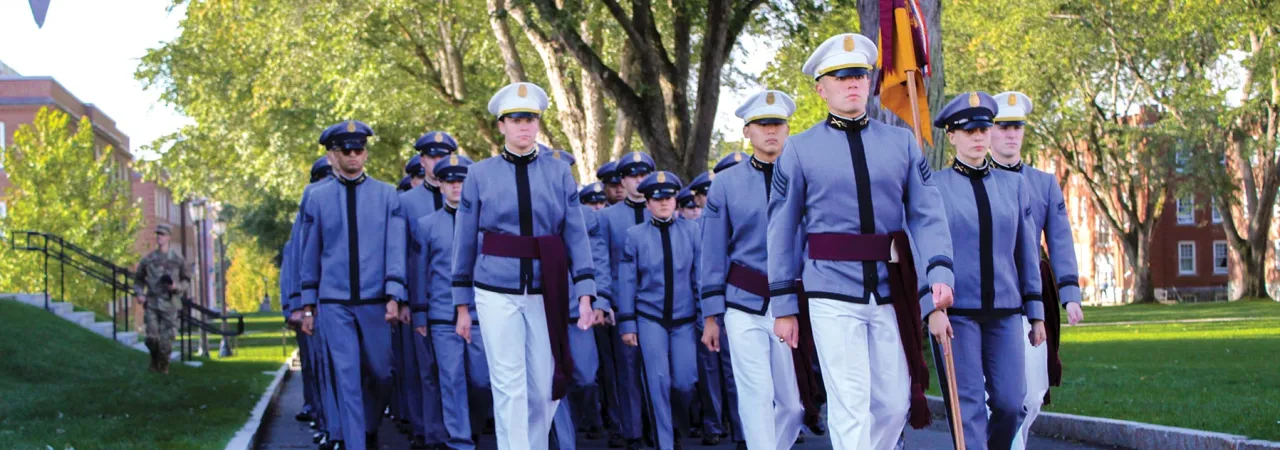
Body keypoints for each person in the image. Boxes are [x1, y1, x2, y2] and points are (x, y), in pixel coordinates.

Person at [767, 32, 955, 450]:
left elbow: (927, 212)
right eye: (840, 76)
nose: (852, 83)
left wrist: (939, 268)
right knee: (851, 404)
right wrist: (783, 305)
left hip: (891, 291)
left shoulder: (901, 142)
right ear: (822, 88)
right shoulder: (799, 150)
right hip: (830, 291)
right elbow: (781, 229)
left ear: (869, 83)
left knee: (893, 403)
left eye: (859, 75)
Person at [451, 82, 598, 450]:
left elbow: (575, 233)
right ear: (501, 125)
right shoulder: (480, 174)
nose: (525, 126)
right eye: (516, 119)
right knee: (508, 385)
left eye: (530, 119)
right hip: (494, 290)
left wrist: (585, 292)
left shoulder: (559, 172)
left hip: (547, 290)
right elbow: (465, 240)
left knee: (544, 388)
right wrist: (461, 303)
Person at [928, 91, 1045, 450]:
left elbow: (1027, 254)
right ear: (952, 137)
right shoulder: (935, 186)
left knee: (1012, 402)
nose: (978, 138)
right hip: (958, 315)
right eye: (968, 131)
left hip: (1006, 313)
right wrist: (931, 309)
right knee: (969, 409)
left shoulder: (1014, 185)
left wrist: (1036, 314)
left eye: (983, 130)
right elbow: (925, 250)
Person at [700, 89, 806, 450]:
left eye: (777, 124)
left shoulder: (802, 177)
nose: (771, 131)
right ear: (747, 131)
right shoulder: (726, 184)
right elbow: (712, 251)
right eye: (762, 125)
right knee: (756, 394)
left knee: (792, 406)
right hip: (743, 302)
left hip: (789, 304)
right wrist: (712, 316)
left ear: (788, 129)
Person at [298, 119, 407, 450]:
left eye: (359, 150)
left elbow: (396, 248)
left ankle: (368, 425)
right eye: (346, 151)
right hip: (334, 302)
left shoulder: (387, 195)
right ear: (332, 156)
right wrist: (307, 304)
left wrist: (395, 295)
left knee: (383, 372)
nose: (354, 157)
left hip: (376, 300)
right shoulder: (315, 197)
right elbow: (310, 252)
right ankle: (354, 442)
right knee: (345, 376)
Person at [989, 91, 1085, 450]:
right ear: (989, 131)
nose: (1011, 135)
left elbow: (1060, 240)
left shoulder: (1044, 183)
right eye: (1003, 127)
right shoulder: (975, 179)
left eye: (1017, 127)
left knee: (1033, 392)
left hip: (1034, 297)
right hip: (990, 290)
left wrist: (1070, 295)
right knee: (998, 393)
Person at [617, 171, 701, 450]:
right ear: (648, 202)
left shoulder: (692, 231)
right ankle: (664, 443)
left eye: (669, 198)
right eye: (657, 198)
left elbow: (699, 277)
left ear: (676, 200)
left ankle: (679, 425)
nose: (663, 203)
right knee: (658, 382)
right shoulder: (635, 235)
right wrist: (628, 324)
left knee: (685, 382)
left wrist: (707, 316)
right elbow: (628, 282)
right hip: (650, 317)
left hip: (685, 319)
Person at [414, 154, 492, 450]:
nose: (456, 186)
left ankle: (472, 428)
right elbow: (419, 273)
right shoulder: (426, 225)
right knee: (451, 378)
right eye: (450, 181)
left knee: (482, 380)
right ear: (439, 185)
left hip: (480, 315)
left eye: (462, 180)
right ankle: (460, 441)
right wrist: (420, 315)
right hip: (442, 316)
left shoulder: (486, 223)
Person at [550, 149, 614, 448]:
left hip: (580, 309)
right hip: (544, 309)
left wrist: (600, 301)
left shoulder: (587, 216)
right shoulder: (530, 212)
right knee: (552, 380)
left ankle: (582, 422)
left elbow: (599, 261)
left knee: (586, 376)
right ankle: (566, 442)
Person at [596, 151, 658, 450]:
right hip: (624, 307)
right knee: (629, 371)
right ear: (622, 180)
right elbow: (602, 263)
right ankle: (632, 431)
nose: (639, 181)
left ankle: (661, 430)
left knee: (661, 373)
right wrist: (604, 300)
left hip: (660, 305)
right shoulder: (607, 217)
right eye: (633, 176)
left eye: (644, 175)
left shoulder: (660, 211)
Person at [401, 131, 459, 449]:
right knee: (425, 369)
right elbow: (400, 252)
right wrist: (403, 298)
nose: (437, 162)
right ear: (422, 160)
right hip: (421, 298)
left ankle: (461, 428)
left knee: (463, 370)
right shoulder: (407, 202)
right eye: (431, 156)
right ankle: (429, 432)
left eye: (443, 156)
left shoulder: (469, 195)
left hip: (463, 299)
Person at [286, 156, 342, 448]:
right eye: (322, 177)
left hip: (346, 302)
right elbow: (296, 263)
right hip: (317, 304)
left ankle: (348, 428)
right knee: (322, 368)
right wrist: (296, 304)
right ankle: (329, 425)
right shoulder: (308, 215)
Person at [133, 224, 189, 374]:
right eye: (158, 234)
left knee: (165, 341)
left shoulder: (178, 259)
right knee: (151, 338)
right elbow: (138, 280)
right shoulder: (149, 260)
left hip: (170, 304)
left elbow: (187, 280)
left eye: (163, 234)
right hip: (152, 303)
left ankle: (163, 366)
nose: (160, 237)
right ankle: (154, 359)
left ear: (169, 237)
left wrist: (177, 286)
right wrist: (139, 293)